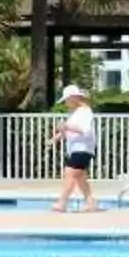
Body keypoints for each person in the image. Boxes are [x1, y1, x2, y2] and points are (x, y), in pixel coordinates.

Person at [51, 84, 97, 214]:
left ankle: (62, 202)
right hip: (76, 148)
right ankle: (90, 202)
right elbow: (70, 131)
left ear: (73, 98)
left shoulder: (85, 112)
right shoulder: (75, 113)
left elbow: (84, 130)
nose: (66, 103)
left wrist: (66, 126)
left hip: (83, 148)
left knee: (70, 173)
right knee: (80, 177)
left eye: (66, 100)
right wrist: (56, 137)